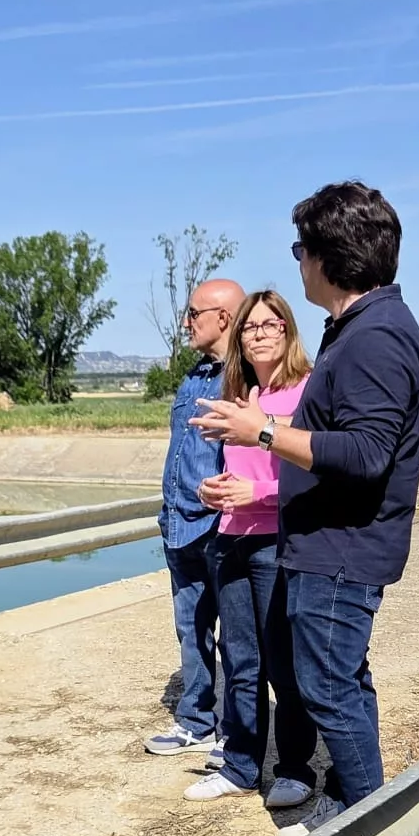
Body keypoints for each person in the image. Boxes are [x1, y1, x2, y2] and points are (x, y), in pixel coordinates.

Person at [193, 181, 419, 836]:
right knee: (342, 680)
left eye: (302, 250)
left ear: (329, 255)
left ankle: (366, 826)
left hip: (342, 547)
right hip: (331, 543)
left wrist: (263, 432)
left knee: (326, 686)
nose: (298, 263)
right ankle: (353, 800)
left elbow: (366, 453)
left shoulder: (375, 336)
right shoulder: (358, 329)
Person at [184, 289, 316, 812]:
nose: (258, 334)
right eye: (249, 327)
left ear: (287, 330)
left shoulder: (307, 391)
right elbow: (234, 470)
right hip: (230, 539)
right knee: (239, 660)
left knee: (284, 664)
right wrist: (210, 491)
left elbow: (313, 475)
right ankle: (240, 766)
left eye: (269, 324)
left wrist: (257, 494)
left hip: (276, 543)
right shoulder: (238, 393)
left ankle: (295, 769)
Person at [145, 278, 246, 758]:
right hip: (179, 523)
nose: (186, 322)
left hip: (222, 528)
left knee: (238, 639)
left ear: (222, 318)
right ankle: (196, 722)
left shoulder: (246, 378)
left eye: (193, 313)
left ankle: (235, 733)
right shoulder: (195, 376)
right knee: (191, 629)